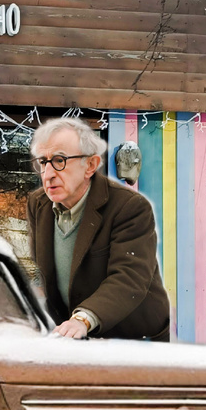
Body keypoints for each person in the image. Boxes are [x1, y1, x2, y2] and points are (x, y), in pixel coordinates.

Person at [26, 118, 170, 341]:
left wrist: (83, 319)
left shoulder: (129, 207)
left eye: (59, 160)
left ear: (90, 165)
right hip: (72, 335)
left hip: (133, 339)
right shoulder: (38, 204)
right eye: (43, 162)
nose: (48, 174)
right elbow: (41, 272)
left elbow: (129, 278)